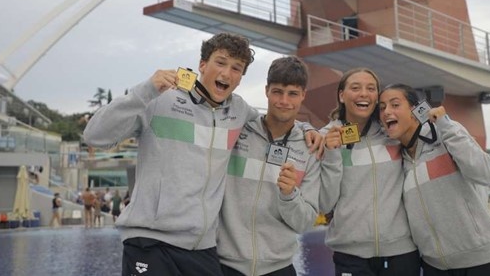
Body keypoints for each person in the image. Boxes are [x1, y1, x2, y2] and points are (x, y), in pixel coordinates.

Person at [83, 33, 321, 276]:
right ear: (202, 64)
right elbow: (94, 136)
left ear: (240, 78)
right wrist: (145, 90)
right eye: (221, 62)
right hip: (151, 242)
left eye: (236, 68)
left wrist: (308, 129)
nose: (227, 73)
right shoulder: (160, 99)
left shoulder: (238, 111)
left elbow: (276, 120)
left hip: (202, 248)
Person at [379, 84, 490, 276]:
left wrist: (446, 125)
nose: (387, 112)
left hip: (482, 260)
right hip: (435, 267)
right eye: (382, 108)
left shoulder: (445, 134)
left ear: (415, 110)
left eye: (395, 104)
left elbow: (486, 173)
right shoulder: (401, 161)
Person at [217, 56, 320, 276]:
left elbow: (305, 223)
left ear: (303, 95)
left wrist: (290, 194)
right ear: (266, 91)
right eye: (277, 92)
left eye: (292, 93)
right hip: (225, 265)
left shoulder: (310, 148)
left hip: (278, 267)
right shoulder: (238, 129)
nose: (284, 101)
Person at [320, 68, 420, 276]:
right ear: (341, 95)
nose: (364, 93)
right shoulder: (326, 137)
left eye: (371, 88)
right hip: (350, 253)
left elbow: (422, 128)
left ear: (377, 97)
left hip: (401, 251)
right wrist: (331, 153)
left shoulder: (392, 132)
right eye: (355, 88)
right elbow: (325, 203)